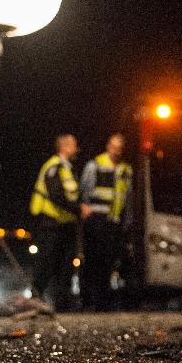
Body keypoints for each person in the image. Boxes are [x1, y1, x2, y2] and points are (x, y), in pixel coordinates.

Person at [29, 134, 91, 310]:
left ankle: (62, 304)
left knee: (64, 266)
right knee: (47, 261)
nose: (76, 148)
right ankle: (35, 298)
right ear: (64, 147)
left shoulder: (68, 168)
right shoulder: (54, 166)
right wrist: (79, 209)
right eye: (73, 145)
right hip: (52, 223)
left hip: (66, 224)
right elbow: (56, 195)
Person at [79, 133, 133, 311]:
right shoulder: (96, 164)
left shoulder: (125, 169)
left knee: (108, 262)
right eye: (114, 146)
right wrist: (84, 206)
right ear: (108, 146)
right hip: (96, 219)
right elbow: (85, 190)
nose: (116, 150)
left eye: (120, 147)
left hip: (114, 221)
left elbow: (127, 197)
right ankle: (87, 300)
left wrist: (126, 221)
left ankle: (103, 301)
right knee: (93, 260)